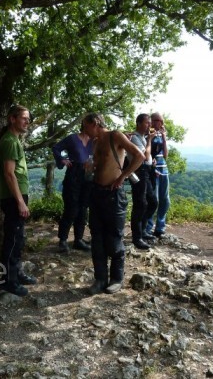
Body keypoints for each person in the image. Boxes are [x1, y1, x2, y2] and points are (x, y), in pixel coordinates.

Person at [82, 112, 144, 295]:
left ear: (95, 123)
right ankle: (100, 279)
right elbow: (96, 168)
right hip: (97, 193)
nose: (84, 130)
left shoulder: (115, 135)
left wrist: (123, 176)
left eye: (85, 126)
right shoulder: (94, 143)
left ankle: (116, 279)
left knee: (114, 238)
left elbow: (139, 155)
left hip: (114, 195)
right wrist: (89, 169)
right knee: (97, 239)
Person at [0, 105, 37, 297]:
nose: (27, 122)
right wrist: (20, 201)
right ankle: (8, 281)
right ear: (12, 119)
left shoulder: (14, 140)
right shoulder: (10, 141)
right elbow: (9, 174)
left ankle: (17, 273)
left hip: (17, 196)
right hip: (14, 197)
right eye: (24, 118)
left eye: (28, 119)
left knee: (18, 237)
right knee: (13, 238)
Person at [52, 124, 93, 253]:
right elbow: (56, 148)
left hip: (88, 176)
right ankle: (63, 240)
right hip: (73, 175)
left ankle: (78, 240)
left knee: (83, 209)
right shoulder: (72, 138)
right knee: (71, 208)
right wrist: (62, 159)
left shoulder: (94, 140)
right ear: (87, 125)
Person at [128, 113, 158, 250]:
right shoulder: (134, 138)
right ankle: (137, 237)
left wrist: (153, 160)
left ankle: (143, 230)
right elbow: (144, 157)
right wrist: (150, 141)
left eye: (149, 123)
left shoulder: (142, 138)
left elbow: (148, 157)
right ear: (138, 123)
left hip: (146, 172)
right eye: (147, 123)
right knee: (140, 204)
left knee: (152, 202)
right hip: (139, 172)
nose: (149, 126)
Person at [145, 112, 170, 238]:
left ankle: (160, 227)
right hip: (153, 171)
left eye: (160, 121)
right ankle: (148, 227)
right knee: (154, 200)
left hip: (163, 169)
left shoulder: (161, 134)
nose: (159, 123)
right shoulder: (147, 133)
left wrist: (164, 138)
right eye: (156, 120)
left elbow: (165, 155)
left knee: (165, 200)